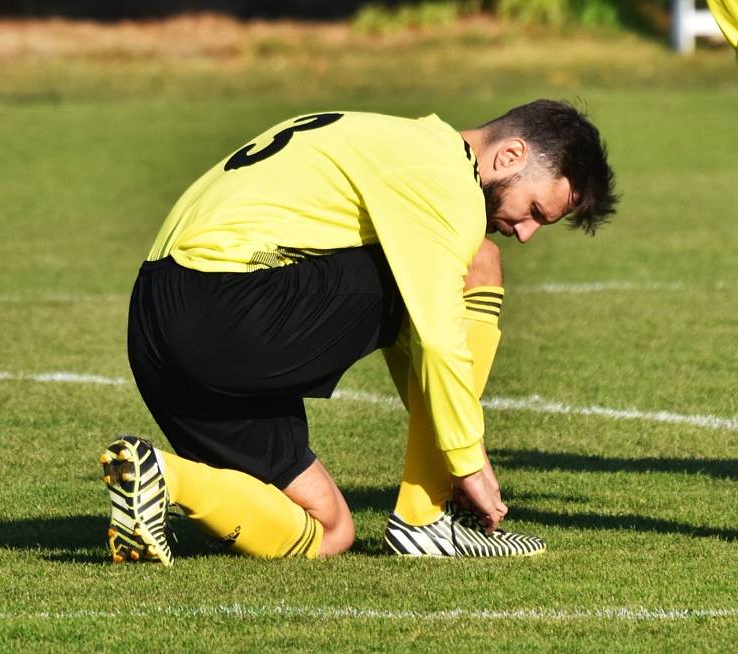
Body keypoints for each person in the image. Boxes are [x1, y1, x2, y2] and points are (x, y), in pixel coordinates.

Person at [99, 100, 617, 565]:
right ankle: (424, 522)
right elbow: (435, 335)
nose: (525, 232)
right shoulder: (442, 178)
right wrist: (466, 460)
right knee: (478, 261)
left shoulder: (394, 139)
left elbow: (407, 332)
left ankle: (161, 476)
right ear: (510, 155)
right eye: (534, 212)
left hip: (155, 320)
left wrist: (441, 435)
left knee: (330, 530)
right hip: (225, 305)